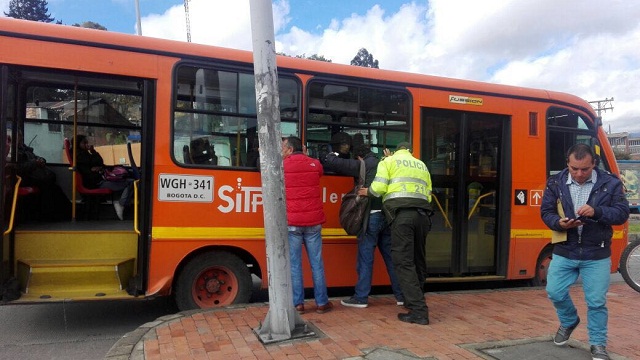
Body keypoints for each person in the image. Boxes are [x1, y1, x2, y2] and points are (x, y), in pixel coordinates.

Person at [541, 143, 629, 360]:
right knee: (554, 291)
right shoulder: (555, 181)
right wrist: (559, 223)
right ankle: (570, 320)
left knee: (596, 302)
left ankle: (598, 344)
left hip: (596, 253)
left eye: (585, 169)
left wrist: (597, 211)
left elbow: (621, 213)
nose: (579, 174)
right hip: (565, 250)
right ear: (567, 164)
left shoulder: (611, 183)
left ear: (594, 165)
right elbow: (546, 212)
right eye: (574, 169)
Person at [323, 143, 404, 308]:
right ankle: (402, 295)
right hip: (387, 216)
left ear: (359, 157)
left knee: (365, 258)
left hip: (371, 217)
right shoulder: (385, 162)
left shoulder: (363, 164)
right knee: (391, 258)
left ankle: (361, 297)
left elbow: (332, 162)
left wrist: (331, 153)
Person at [366, 141, 433, 325]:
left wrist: (368, 192)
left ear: (396, 151)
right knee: (418, 260)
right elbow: (428, 193)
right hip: (423, 216)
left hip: (403, 217)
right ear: (410, 151)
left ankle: (419, 311)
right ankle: (414, 303)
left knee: (403, 263)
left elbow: (378, 188)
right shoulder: (421, 164)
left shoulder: (388, 162)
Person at [282, 135, 333, 314]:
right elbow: (319, 172)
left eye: (283, 148)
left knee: (295, 265)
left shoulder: (283, 165)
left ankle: (298, 304)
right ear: (302, 148)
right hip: (313, 223)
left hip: (293, 223)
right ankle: (321, 303)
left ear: (289, 149)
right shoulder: (314, 164)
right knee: (316, 263)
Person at [73, 135, 133, 220]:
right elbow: (91, 171)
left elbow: (99, 163)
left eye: (87, 142)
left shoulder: (86, 154)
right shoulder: (80, 157)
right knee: (131, 182)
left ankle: (120, 202)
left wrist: (93, 153)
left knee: (129, 179)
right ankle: (121, 204)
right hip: (97, 182)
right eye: (84, 143)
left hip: (99, 179)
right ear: (77, 144)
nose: (87, 144)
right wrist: (99, 170)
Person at [15, 131, 71, 221]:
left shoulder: (26, 149)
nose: (20, 138)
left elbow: (37, 157)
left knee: (54, 187)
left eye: (21, 135)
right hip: (24, 178)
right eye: (18, 136)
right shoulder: (14, 152)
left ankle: (66, 212)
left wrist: (41, 160)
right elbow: (19, 168)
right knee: (47, 185)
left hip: (33, 174)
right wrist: (35, 163)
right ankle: (51, 214)